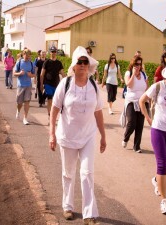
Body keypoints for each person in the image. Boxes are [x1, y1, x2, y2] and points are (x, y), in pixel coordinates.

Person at [49, 46, 106, 224]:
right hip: (67, 135)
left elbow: (98, 112)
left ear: (89, 65)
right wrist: (52, 134)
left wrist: (103, 136)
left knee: (87, 172)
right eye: (79, 62)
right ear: (74, 65)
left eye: (85, 62)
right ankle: (68, 206)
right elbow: (54, 109)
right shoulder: (65, 84)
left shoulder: (94, 86)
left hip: (88, 136)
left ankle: (89, 213)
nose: (82, 65)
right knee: (68, 173)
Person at [139, 63, 166, 214]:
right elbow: (141, 100)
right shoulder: (157, 87)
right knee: (162, 164)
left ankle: (156, 180)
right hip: (157, 128)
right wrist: (147, 118)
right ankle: (164, 201)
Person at [122, 56, 149, 153]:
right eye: (136, 64)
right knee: (132, 122)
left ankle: (136, 146)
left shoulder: (144, 75)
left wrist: (149, 99)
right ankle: (126, 138)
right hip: (131, 102)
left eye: (139, 64)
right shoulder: (128, 73)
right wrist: (133, 74)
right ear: (133, 64)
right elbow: (128, 84)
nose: (138, 66)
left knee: (140, 124)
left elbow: (147, 88)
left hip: (141, 102)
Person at [40, 46, 65, 122]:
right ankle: (49, 115)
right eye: (52, 52)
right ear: (49, 53)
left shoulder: (59, 63)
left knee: (56, 101)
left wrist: (68, 78)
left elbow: (63, 74)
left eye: (54, 52)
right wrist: (41, 85)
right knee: (50, 100)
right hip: (48, 83)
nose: (53, 53)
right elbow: (42, 74)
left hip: (56, 84)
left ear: (56, 53)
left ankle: (53, 114)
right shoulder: (46, 62)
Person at [13, 49, 35, 125]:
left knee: (27, 102)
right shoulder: (19, 62)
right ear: (23, 54)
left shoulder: (31, 64)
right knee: (19, 103)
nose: (27, 56)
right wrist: (20, 73)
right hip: (20, 85)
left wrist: (30, 75)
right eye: (26, 54)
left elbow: (34, 74)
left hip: (28, 85)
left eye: (29, 55)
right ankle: (18, 111)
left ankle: (25, 118)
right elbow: (14, 73)